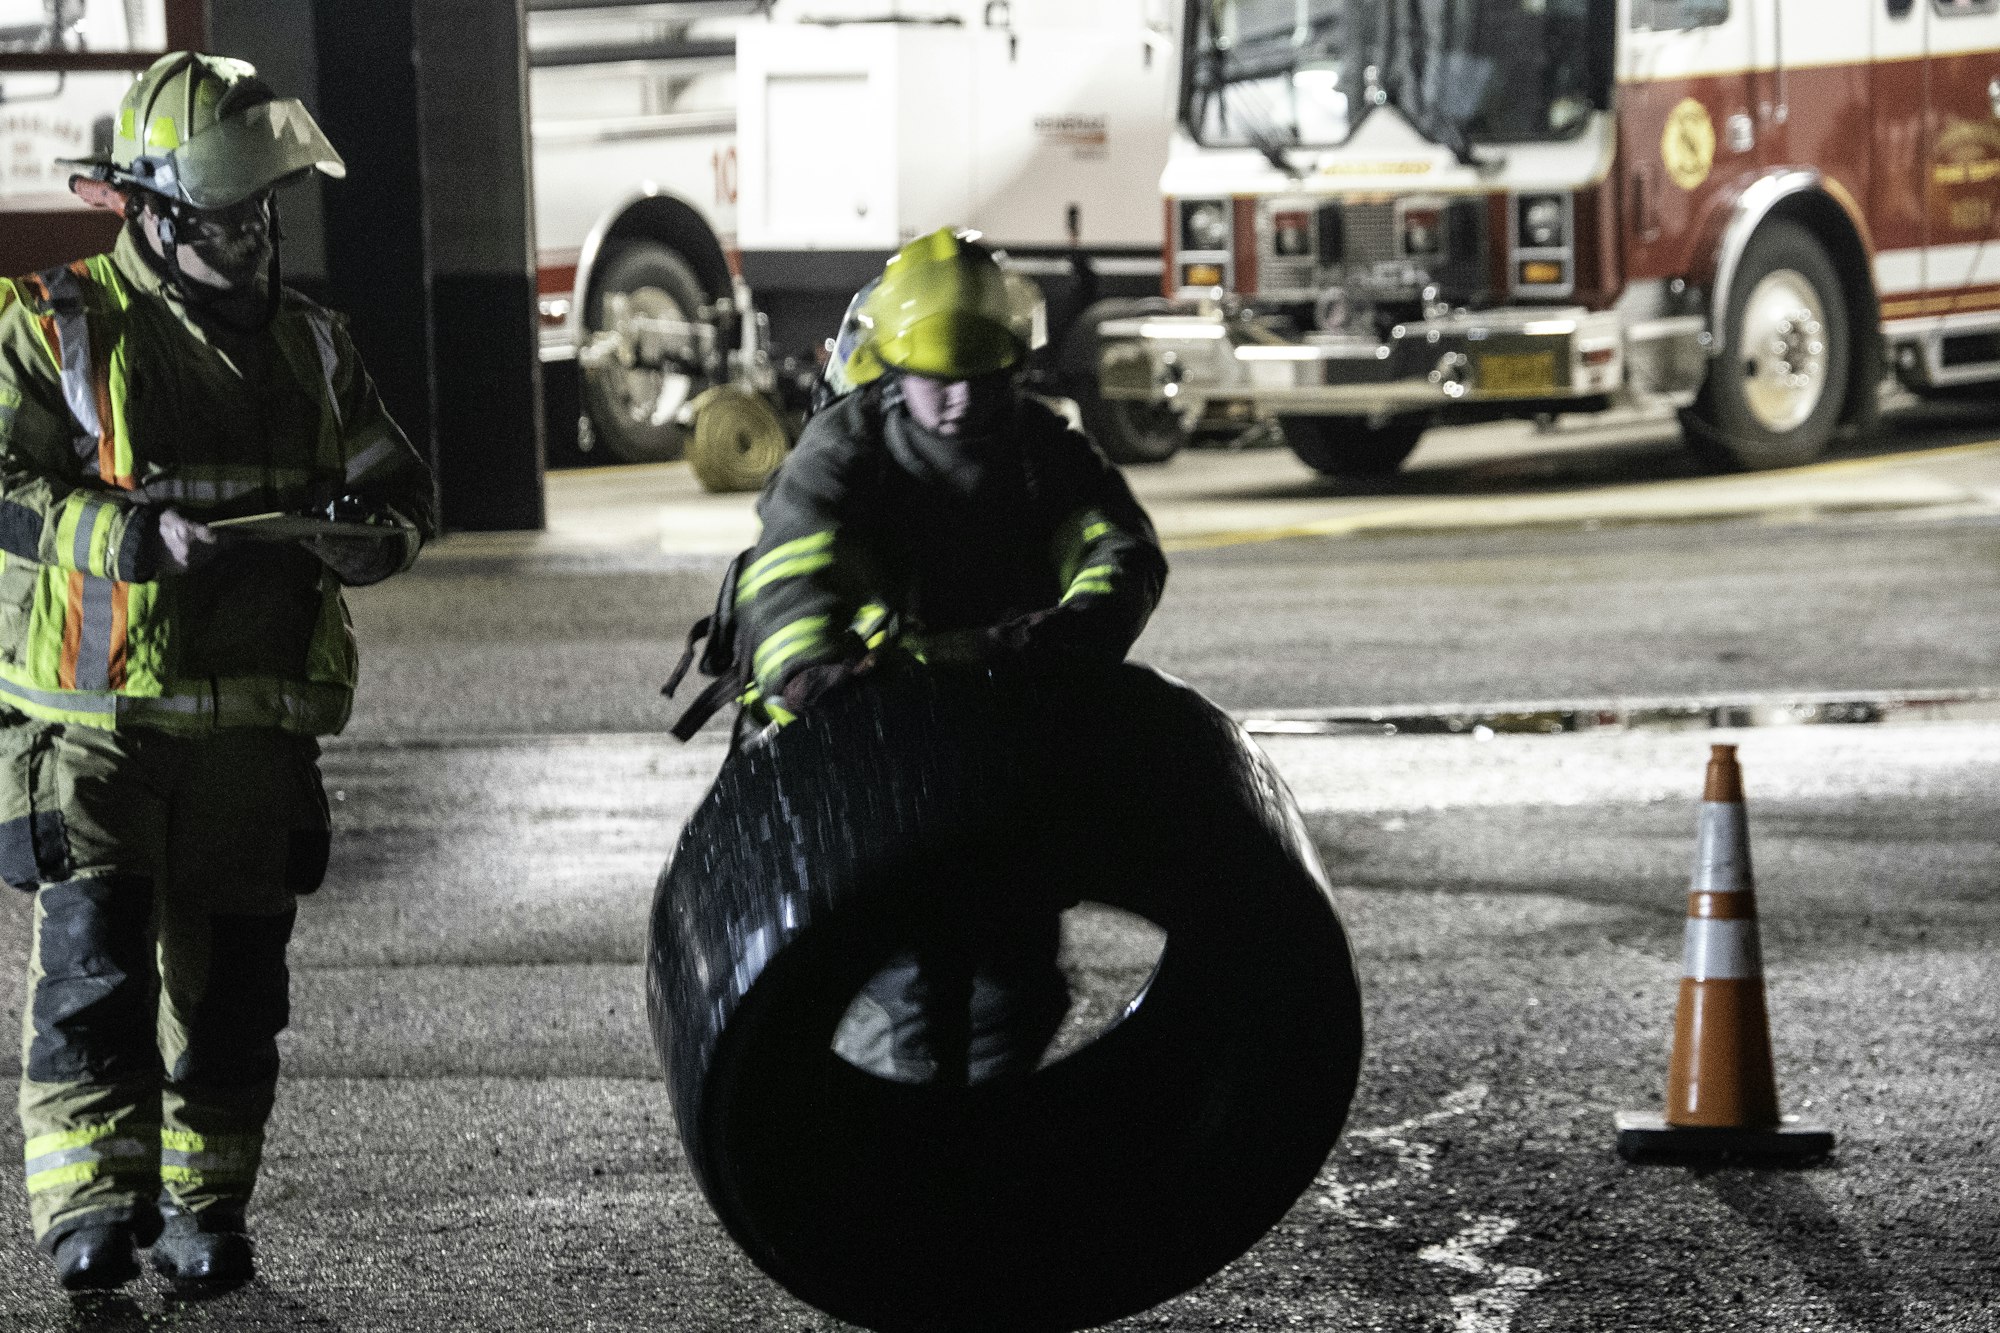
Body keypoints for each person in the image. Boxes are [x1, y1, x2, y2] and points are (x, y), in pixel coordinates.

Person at [0, 51, 437, 1291]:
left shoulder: (314, 347)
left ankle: (206, 1209)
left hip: (253, 728)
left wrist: (369, 539)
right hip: (95, 720)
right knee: (94, 970)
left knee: (234, 993)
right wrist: (122, 535)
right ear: (147, 209)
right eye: (221, 220)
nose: (248, 244)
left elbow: (403, 494)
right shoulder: (55, 324)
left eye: (260, 217)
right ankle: (90, 1211)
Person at [731, 227, 1168, 1084]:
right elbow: (789, 583)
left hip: (992, 753)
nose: (962, 400)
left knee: (1017, 989)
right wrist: (825, 676)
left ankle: (970, 1153)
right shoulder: (842, 452)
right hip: (861, 762)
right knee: (912, 998)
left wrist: (1059, 643)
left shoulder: (1043, 452)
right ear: (896, 368)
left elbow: (1119, 552)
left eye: (982, 378)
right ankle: (888, 1150)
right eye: (939, 379)